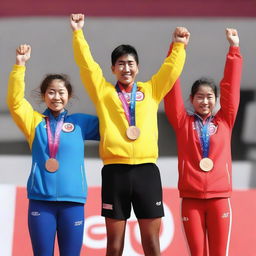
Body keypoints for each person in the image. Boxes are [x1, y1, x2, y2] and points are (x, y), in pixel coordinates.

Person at [70, 13, 190, 256]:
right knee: (114, 246)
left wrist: (178, 45)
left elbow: (170, 70)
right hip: (115, 172)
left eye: (130, 63)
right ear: (113, 69)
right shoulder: (103, 92)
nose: (126, 68)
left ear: (137, 67)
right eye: (121, 64)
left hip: (147, 171)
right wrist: (78, 33)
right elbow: (86, 65)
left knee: (152, 245)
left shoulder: (151, 90)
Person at [7, 44, 100, 256]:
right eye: (51, 92)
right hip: (41, 201)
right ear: (43, 96)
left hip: (73, 203)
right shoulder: (34, 123)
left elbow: (112, 127)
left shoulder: (80, 123)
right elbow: (15, 103)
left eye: (61, 92)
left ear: (69, 95)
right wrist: (20, 66)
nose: (56, 97)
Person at [164, 28, 242, 255]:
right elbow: (171, 88)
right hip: (191, 199)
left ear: (216, 100)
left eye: (209, 97)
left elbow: (231, 87)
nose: (205, 101)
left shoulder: (225, 120)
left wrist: (233, 49)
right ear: (191, 99)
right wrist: (177, 48)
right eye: (200, 96)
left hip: (220, 198)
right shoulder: (182, 122)